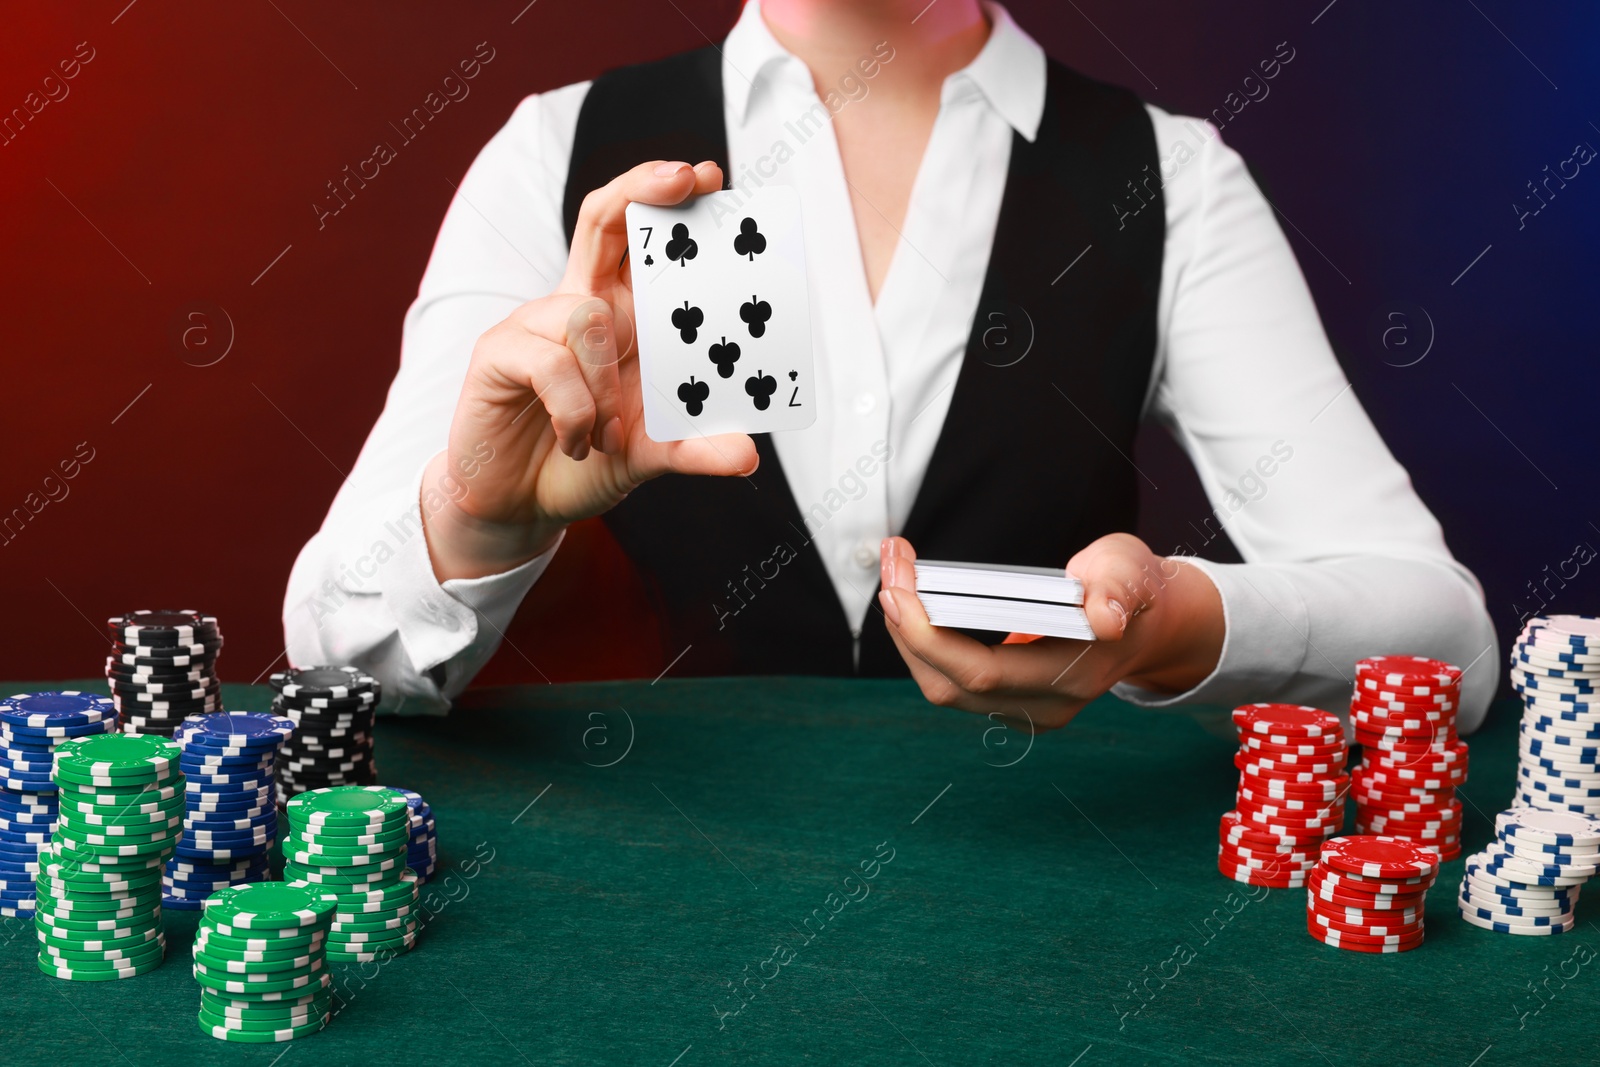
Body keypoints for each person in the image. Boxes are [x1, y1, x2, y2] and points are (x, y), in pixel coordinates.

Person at [284, 0, 1497, 731]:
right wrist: (480, 516)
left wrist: (1175, 622)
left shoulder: (1168, 180)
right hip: (657, 933)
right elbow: (339, 661)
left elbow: (1445, 638)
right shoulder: (556, 153)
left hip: (1045, 926)